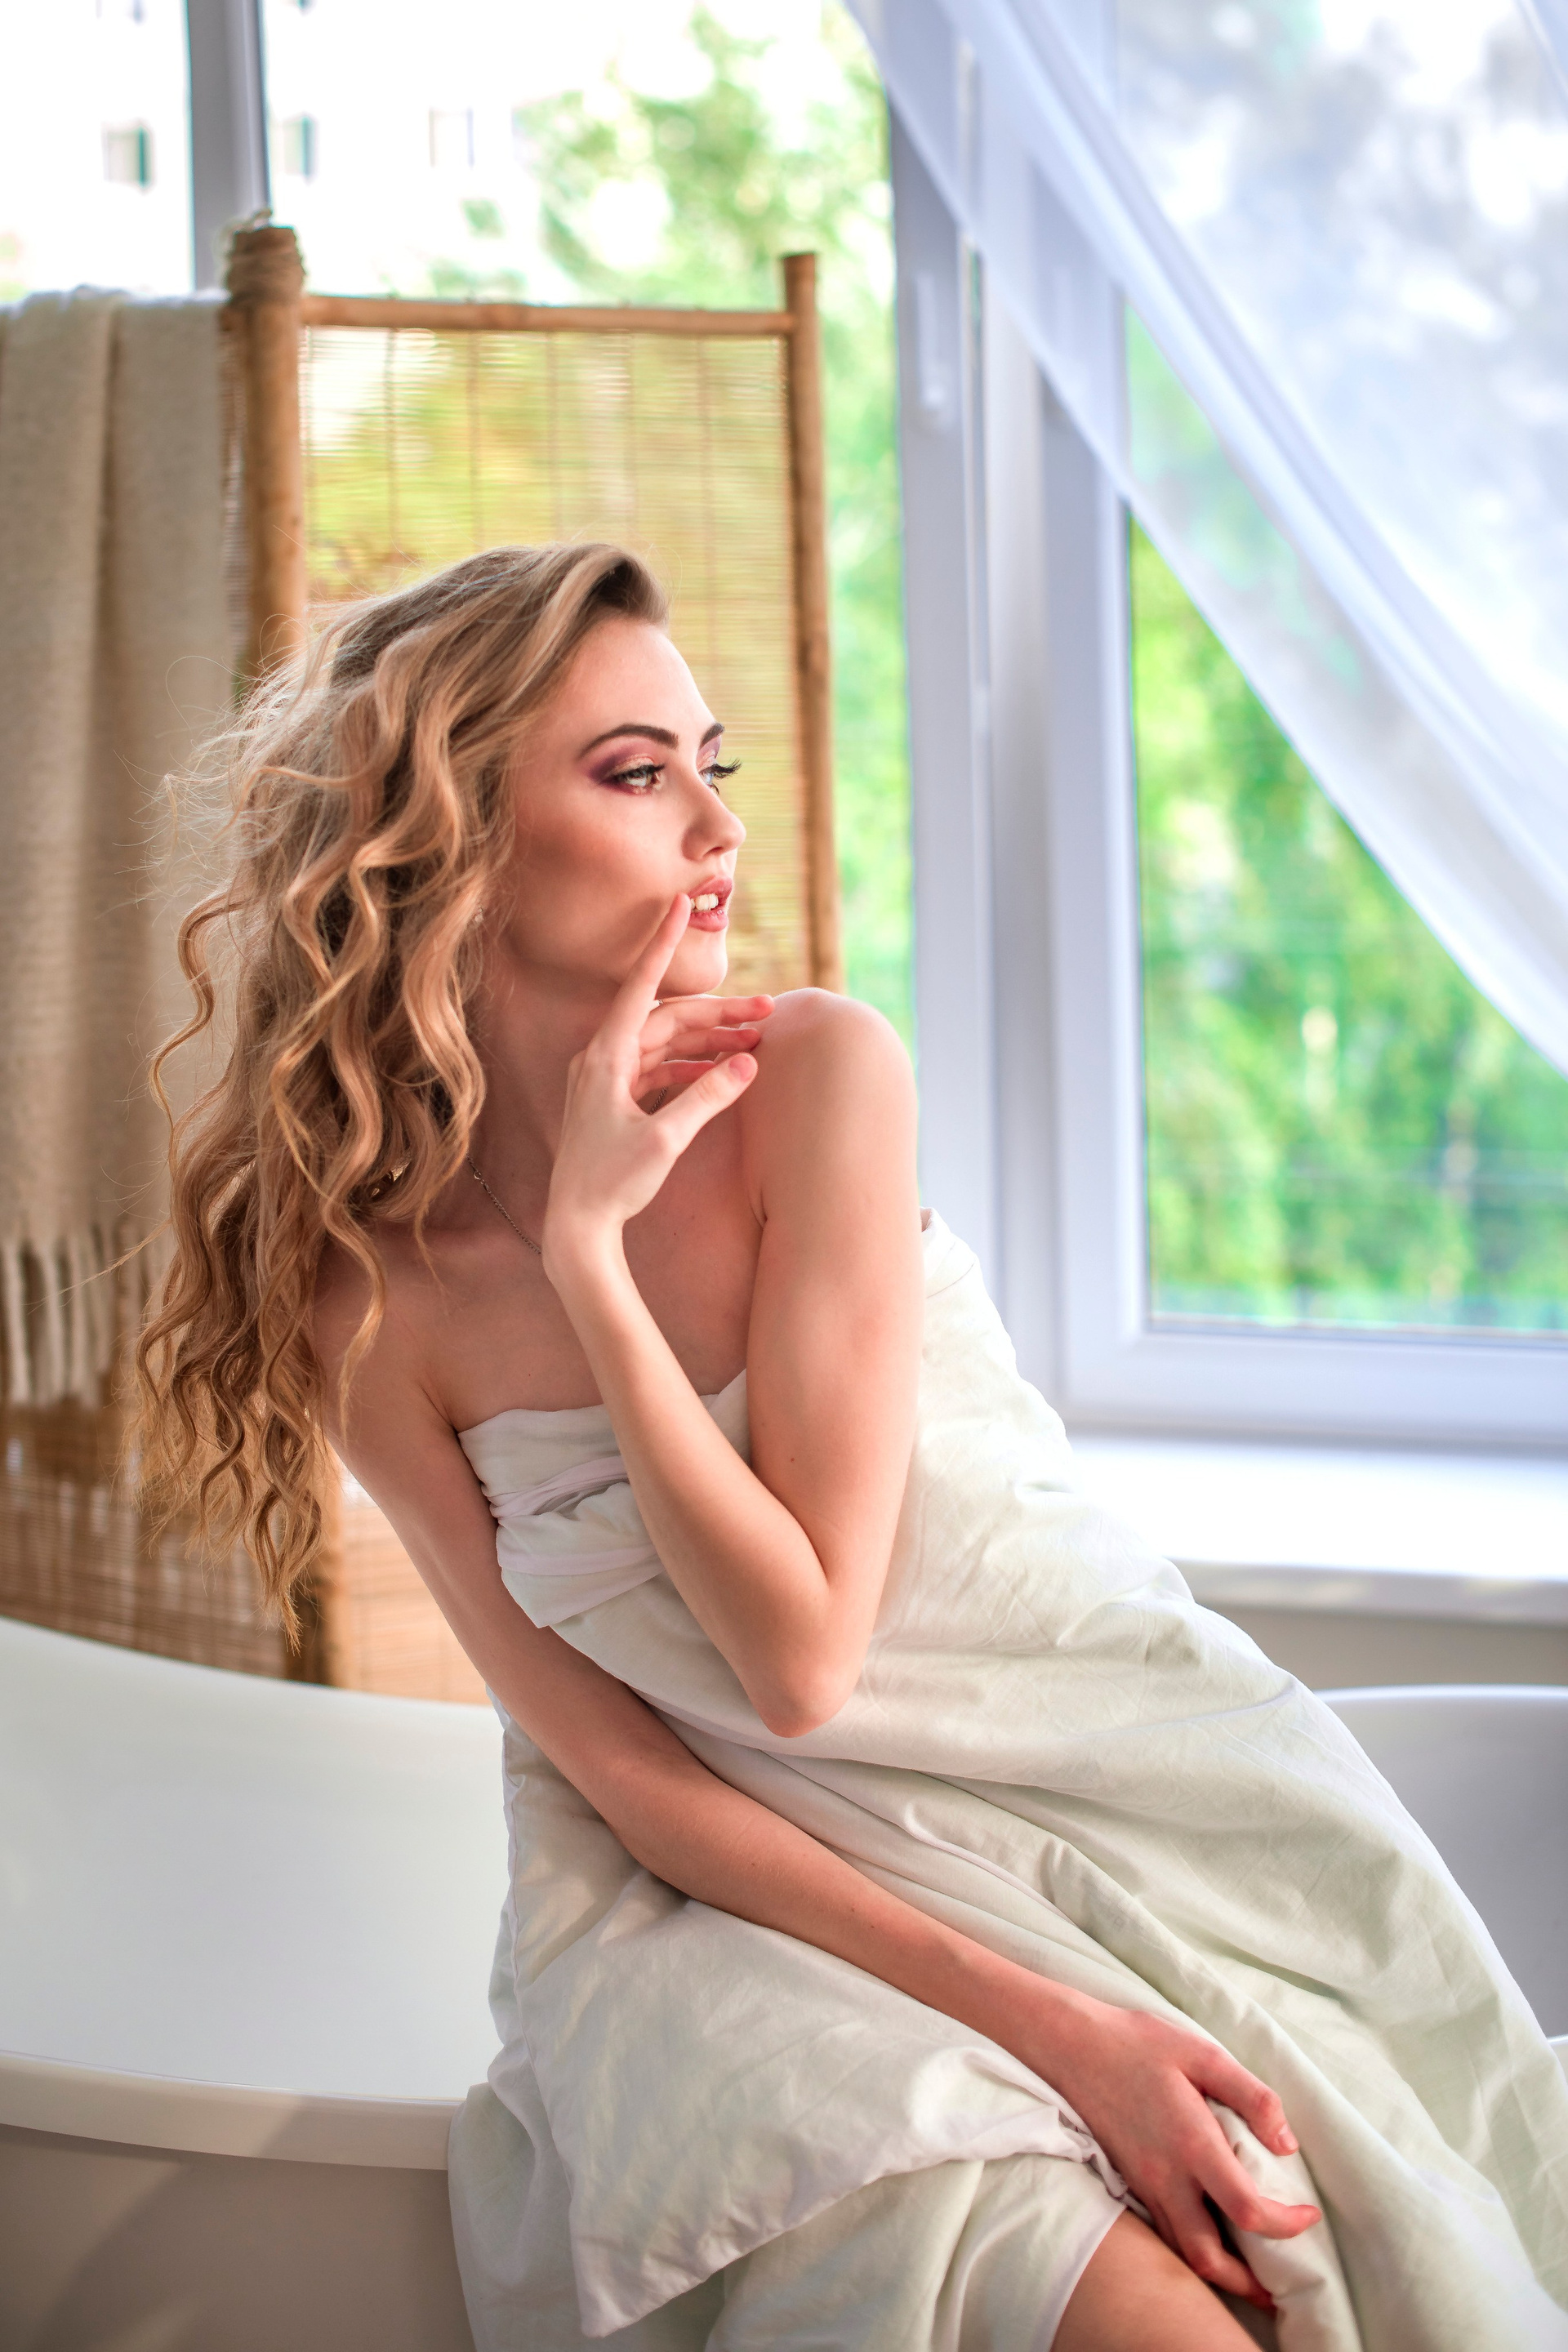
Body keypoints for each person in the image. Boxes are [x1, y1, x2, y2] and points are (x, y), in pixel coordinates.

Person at [137, 544, 1568, 2352]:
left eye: (711, 765)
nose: (717, 830)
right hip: (722, 1898)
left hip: (1109, 1785)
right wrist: (587, 1257)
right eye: (637, 775)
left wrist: (590, 1274)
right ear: (450, 842)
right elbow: (635, 1768)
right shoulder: (360, 1299)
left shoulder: (814, 1075)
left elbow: (803, 1648)